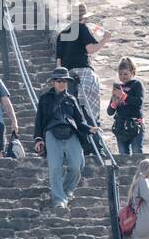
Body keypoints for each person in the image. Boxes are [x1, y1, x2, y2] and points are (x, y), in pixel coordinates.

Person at [33, 68, 99, 210]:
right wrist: (38, 139)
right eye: (59, 80)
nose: (62, 83)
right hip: (52, 133)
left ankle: (66, 191)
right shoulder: (45, 98)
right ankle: (59, 200)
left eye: (64, 80)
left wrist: (89, 129)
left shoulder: (71, 99)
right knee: (55, 167)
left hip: (71, 133)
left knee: (76, 166)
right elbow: (39, 121)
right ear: (53, 82)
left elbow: (80, 121)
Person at [55, 3, 111, 126]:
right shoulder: (82, 28)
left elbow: (59, 62)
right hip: (83, 71)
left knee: (71, 104)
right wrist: (105, 40)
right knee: (88, 107)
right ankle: (92, 125)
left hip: (67, 74)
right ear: (83, 17)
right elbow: (90, 49)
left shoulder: (62, 34)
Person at [107, 57, 144, 155]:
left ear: (132, 72)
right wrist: (114, 103)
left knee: (137, 152)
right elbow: (109, 112)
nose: (123, 76)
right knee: (123, 154)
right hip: (121, 126)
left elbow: (139, 102)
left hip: (135, 124)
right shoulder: (118, 87)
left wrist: (124, 96)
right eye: (120, 74)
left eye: (125, 74)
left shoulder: (136, 84)